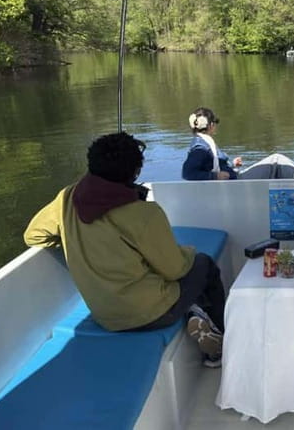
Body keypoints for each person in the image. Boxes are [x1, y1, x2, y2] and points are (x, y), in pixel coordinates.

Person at [24, 132, 226, 367]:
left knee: (157, 275)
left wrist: (73, 240)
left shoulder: (66, 198)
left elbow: (33, 235)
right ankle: (220, 344)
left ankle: (194, 312)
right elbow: (176, 270)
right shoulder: (143, 213)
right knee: (203, 265)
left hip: (106, 316)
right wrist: (188, 251)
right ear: (135, 172)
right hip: (151, 314)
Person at [182, 107, 243, 181]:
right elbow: (188, 173)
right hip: (228, 187)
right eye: (215, 122)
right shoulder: (200, 148)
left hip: (231, 182)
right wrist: (215, 176)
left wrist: (233, 165)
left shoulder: (204, 142)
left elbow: (214, 164)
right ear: (211, 125)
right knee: (261, 169)